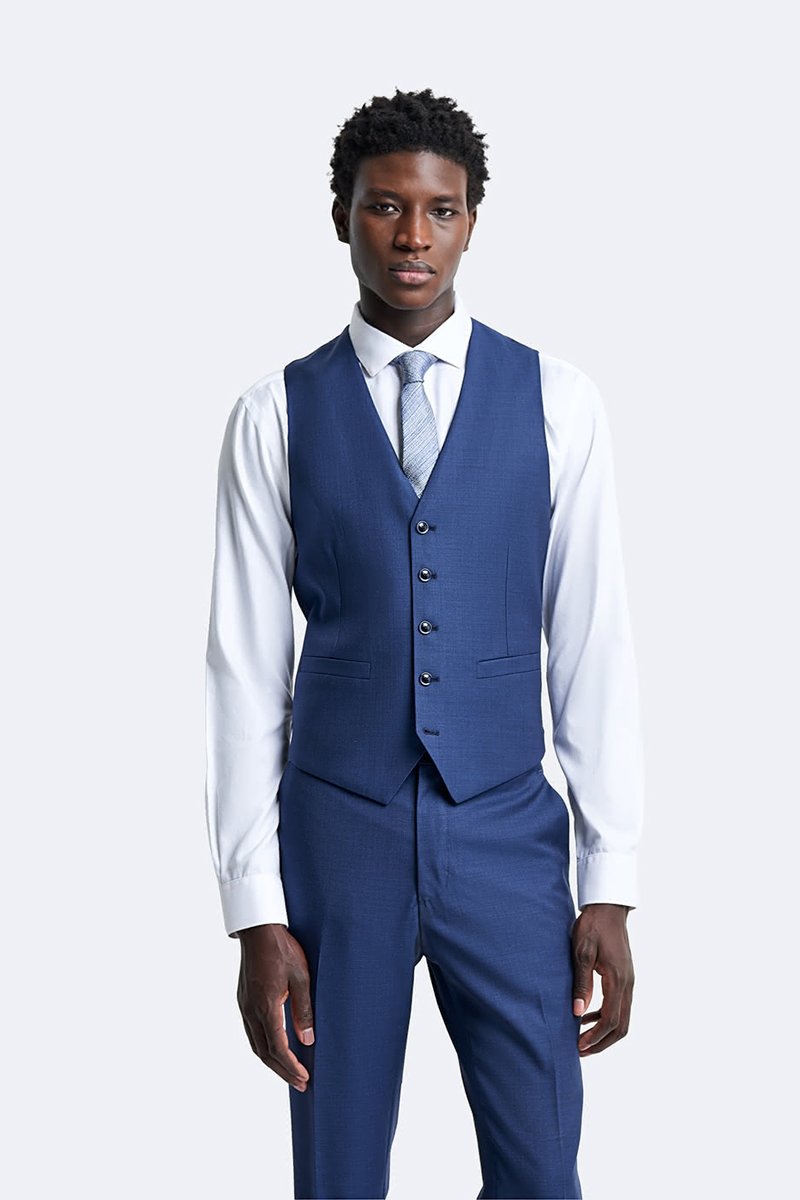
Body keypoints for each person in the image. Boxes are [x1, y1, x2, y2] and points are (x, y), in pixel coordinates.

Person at [204, 87, 644, 1200]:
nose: (412, 236)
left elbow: (590, 643)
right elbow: (243, 672)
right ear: (341, 216)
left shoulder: (558, 402)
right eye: (384, 206)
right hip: (337, 836)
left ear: (472, 221)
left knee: (541, 1170)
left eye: (440, 210)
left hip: (505, 831)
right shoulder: (273, 415)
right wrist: (256, 910)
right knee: (339, 1173)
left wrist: (610, 880)